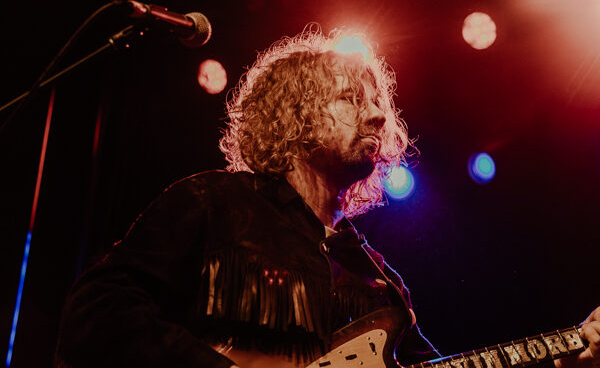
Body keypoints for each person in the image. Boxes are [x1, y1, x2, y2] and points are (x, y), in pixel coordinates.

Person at [54, 27, 600, 368]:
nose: (379, 115)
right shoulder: (213, 203)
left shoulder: (377, 284)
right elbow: (95, 314)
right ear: (297, 114)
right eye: (352, 99)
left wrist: (565, 358)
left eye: (378, 103)